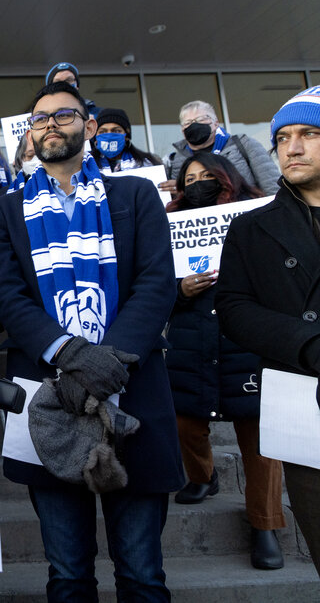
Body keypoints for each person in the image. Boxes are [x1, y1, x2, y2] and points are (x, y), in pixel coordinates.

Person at [0, 82, 183, 601]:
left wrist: (107, 361)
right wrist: (70, 354)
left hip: (131, 389)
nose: (50, 125)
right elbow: (6, 295)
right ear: (30, 134)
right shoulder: (4, 210)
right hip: (48, 399)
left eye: (64, 115)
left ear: (89, 127)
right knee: (68, 573)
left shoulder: (135, 194)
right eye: (40, 118)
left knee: (142, 573)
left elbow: (156, 283)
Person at [215, 85, 320, 577]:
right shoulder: (251, 228)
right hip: (303, 404)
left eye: (309, 134)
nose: (291, 148)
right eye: (282, 138)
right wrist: (307, 343)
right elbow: (234, 309)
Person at [163, 152, 285, 569]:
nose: (198, 183)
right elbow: (151, 285)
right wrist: (179, 289)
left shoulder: (259, 219)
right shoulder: (168, 225)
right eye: (189, 179)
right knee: (185, 422)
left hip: (245, 340)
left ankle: (265, 523)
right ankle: (202, 476)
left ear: (227, 177)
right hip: (191, 342)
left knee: (260, 439)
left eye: (206, 176)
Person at [162, 100, 280, 195]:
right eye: (188, 123)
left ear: (216, 123)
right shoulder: (174, 162)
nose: (194, 125)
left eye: (201, 119)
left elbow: (271, 184)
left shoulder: (243, 145)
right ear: (182, 129)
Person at [90, 107, 162, 172]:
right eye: (102, 132)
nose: (109, 136)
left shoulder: (147, 163)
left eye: (116, 131)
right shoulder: (87, 164)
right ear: (95, 137)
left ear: (127, 136)